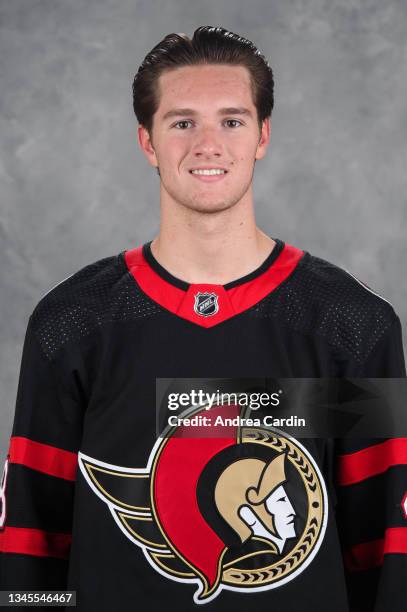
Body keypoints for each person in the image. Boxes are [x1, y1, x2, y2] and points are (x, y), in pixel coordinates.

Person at [0, 25, 406, 611]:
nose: (208, 144)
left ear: (263, 136)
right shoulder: (71, 324)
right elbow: (32, 546)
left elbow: (384, 550)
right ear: (147, 141)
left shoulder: (354, 326)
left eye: (232, 121)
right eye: (183, 122)